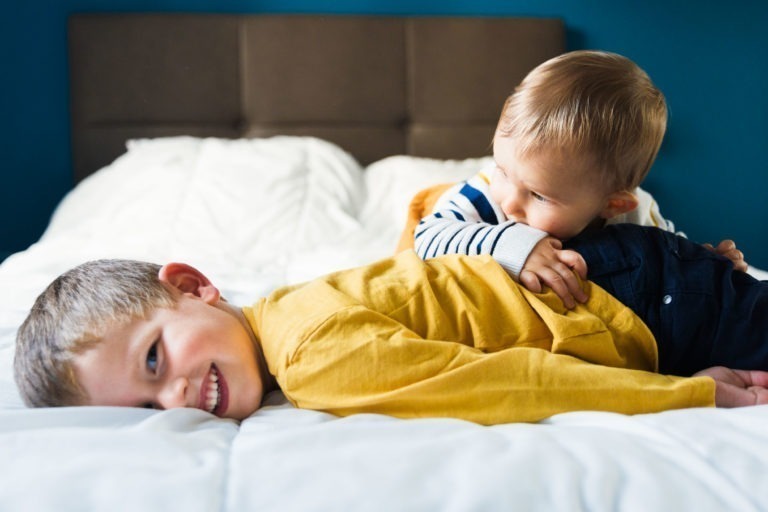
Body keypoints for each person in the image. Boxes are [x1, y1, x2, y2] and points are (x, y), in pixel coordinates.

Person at [13, 224, 768, 425]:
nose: (175, 398)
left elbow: (506, 387)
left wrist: (691, 397)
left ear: (194, 286)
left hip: (627, 302)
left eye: (154, 362)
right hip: (612, 273)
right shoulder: (287, 311)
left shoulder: (309, 357)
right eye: (146, 408)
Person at [404, 50, 746, 309]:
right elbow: (429, 236)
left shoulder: (639, 217)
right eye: (503, 171)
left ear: (613, 204)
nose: (510, 201)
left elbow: (671, 262)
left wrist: (709, 265)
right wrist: (512, 245)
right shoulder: (487, 195)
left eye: (538, 195)